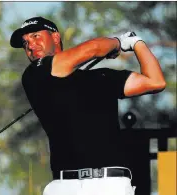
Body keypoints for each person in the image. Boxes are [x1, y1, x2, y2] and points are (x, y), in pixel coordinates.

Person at [10, 16, 166, 195]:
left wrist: (138, 43)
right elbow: (92, 49)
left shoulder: (101, 78)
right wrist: (118, 43)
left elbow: (155, 81)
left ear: (55, 37)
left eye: (36, 36)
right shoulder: (34, 74)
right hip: (64, 186)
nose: (30, 45)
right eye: (25, 43)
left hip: (109, 184)